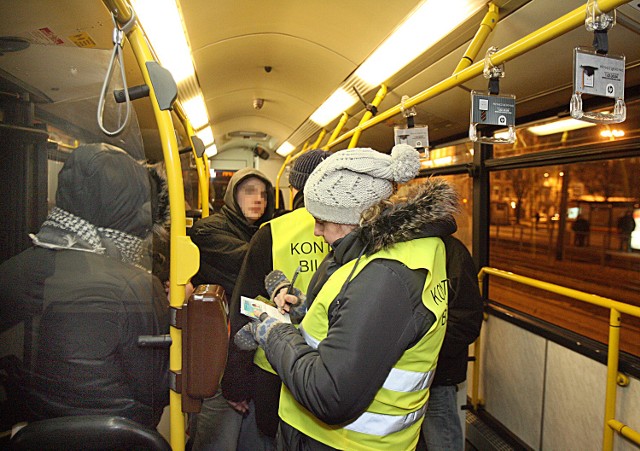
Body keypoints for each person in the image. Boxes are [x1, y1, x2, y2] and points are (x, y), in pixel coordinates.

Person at [237, 144, 460, 450]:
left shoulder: (387, 277)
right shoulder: (379, 255)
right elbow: (355, 326)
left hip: (347, 443)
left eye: (322, 221)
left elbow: (331, 395)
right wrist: (305, 311)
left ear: (352, 218)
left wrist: (275, 334)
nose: (315, 231)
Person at [0, 143, 170, 428]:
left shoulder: (12, 269)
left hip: (29, 427)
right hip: (117, 433)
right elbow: (155, 387)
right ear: (132, 208)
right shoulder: (136, 284)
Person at [222, 149, 330, 448]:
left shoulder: (272, 233)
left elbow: (245, 308)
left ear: (293, 188)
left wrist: (236, 384)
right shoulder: (358, 229)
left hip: (274, 367)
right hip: (335, 366)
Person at [188, 167, 275, 451]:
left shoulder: (265, 232)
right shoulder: (209, 230)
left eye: (264, 193)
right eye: (249, 191)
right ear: (232, 195)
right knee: (216, 438)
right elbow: (252, 267)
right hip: (218, 355)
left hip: (252, 357)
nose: (258, 199)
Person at [420, 235, 484, 451]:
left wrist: (427, 353)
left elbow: (467, 320)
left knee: (442, 438)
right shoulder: (400, 247)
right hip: (405, 373)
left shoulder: (453, 254)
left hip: (438, 372)